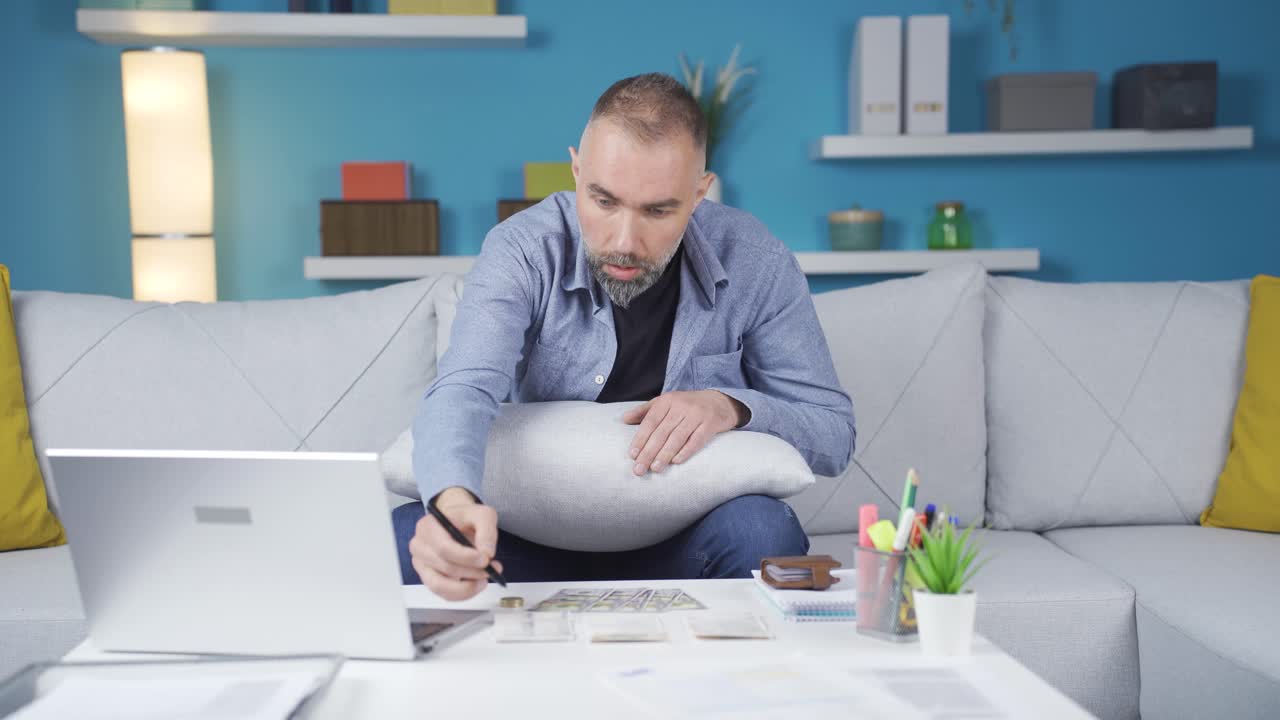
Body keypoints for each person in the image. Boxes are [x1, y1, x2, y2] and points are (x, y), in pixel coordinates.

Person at [393, 72, 855, 600]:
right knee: (407, 535)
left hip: (685, 544)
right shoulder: (522, 249)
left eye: (658, 210)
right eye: (603, 201)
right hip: (528, 543)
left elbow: (833, 434)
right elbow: (463, 388)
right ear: (575, 171)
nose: (624, 242)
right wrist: (452, 507)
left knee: (762, 531)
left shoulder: (757, 262)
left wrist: (731, 407)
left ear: (700, 192)